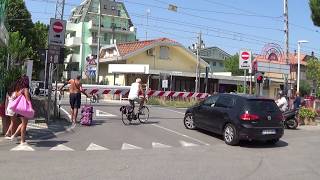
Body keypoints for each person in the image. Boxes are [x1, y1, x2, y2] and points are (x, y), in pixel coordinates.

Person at [10, 75, 32, 145]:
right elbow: (28, 99)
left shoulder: (18, 89)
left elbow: (15, 97)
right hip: (24, 108)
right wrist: (30, 107)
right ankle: (22, 141)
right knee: (24, 124)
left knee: (23, 123)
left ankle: (14, 135)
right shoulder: (25, 89)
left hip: (19, 109)